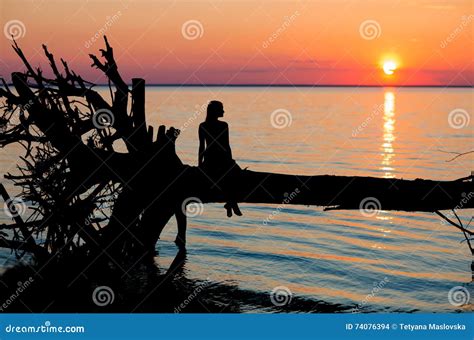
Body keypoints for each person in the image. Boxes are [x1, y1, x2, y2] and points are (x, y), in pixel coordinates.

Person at [198, 101, 242, 217]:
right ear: (214, 111)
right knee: (232, 176)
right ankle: (232, 202)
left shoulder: (220, 125)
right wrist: (199, 165)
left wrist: (230, 161)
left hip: (218, 159)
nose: (223, 111)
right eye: (221, 109)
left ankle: (230, 202)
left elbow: (204, 147)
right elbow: (203, 146)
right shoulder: (207, 126)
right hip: (212, 160)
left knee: (233, 175)